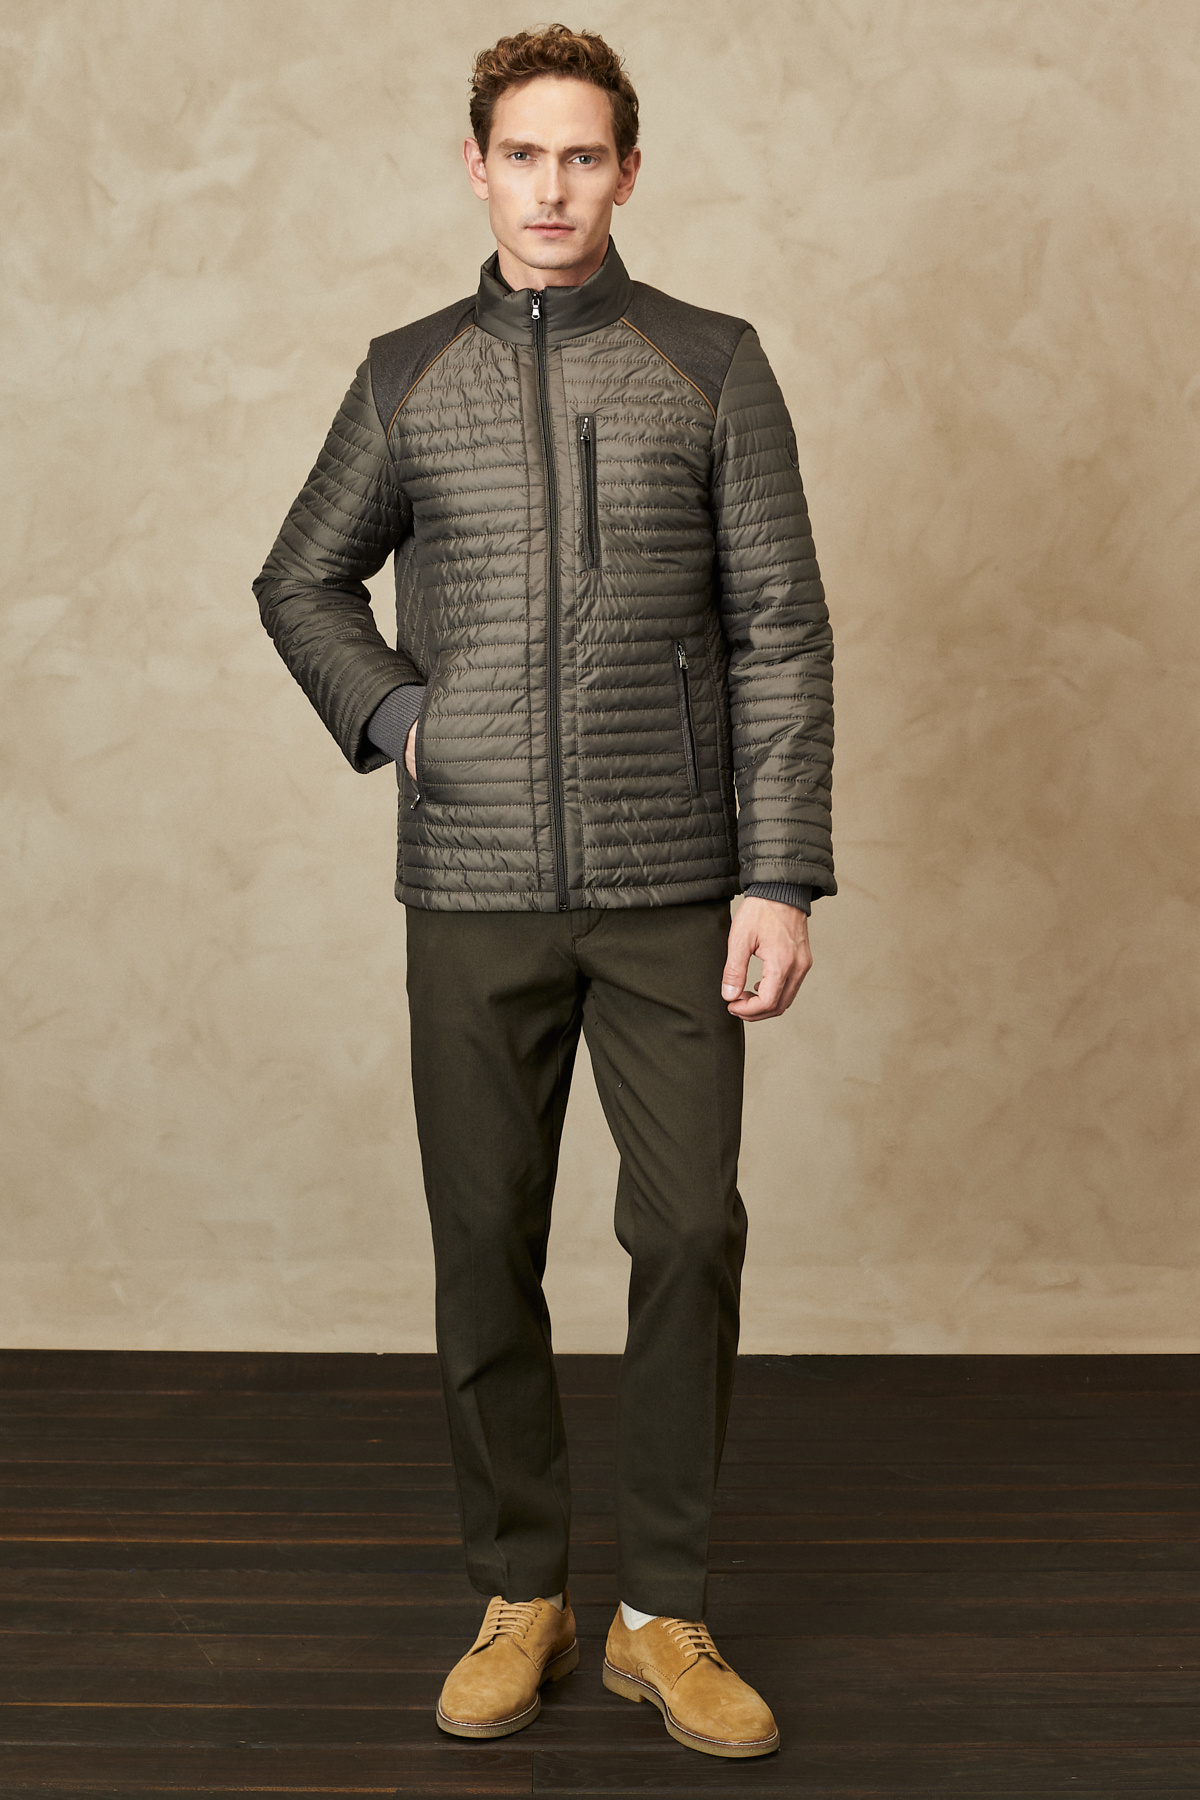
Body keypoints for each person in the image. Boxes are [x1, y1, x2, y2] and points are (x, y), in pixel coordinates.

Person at [254, 22, 834, 1762]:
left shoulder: (712, 363)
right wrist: (404, 718)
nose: (554, 187)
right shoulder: (405, 374)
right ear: (478, 169)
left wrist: (781, 874)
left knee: (691, 1231)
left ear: (628, 173)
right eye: (525, 155)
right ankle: (523, 1593)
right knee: (484, 1241)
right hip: (473, 886)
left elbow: (783, 629)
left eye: (585, 156)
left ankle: (662, 1613)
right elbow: (302, 580)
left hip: (675, 888)